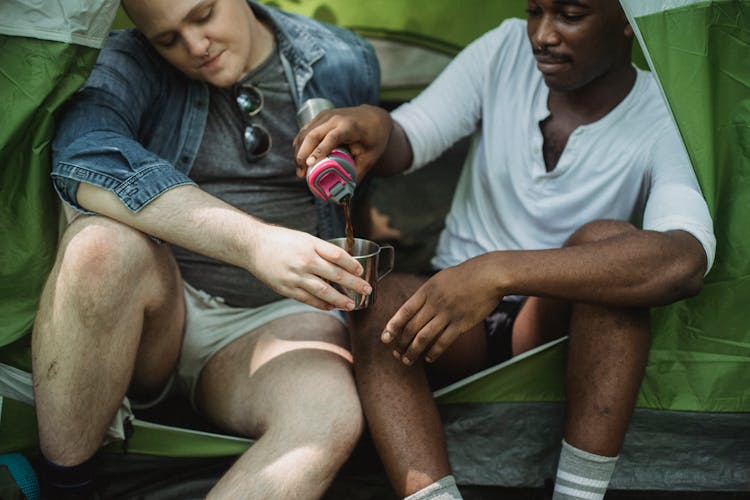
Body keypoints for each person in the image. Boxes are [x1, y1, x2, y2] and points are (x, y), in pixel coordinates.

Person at [294, 0, 716, 499]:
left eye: (571, 15)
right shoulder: (504, 50)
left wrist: (497, 273)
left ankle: (577, 494)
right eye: (535, 11)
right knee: (377, 300)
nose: (542, 34)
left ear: (629, 19)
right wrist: (377, 125)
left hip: (553, 330)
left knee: (607, 246)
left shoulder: (662, 112)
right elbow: (412, 139)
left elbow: (683, 261)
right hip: (453, 318)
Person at [31, 0, 380, 498]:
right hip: (162, 312)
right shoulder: (128, 61)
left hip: (278, 320)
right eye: (168, 39)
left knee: (328, 413)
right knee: (100, 245)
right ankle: (64, 487)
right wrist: (256, 244)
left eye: (203, 16)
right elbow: (82, 154)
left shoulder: (342, 59)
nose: (196, 47)